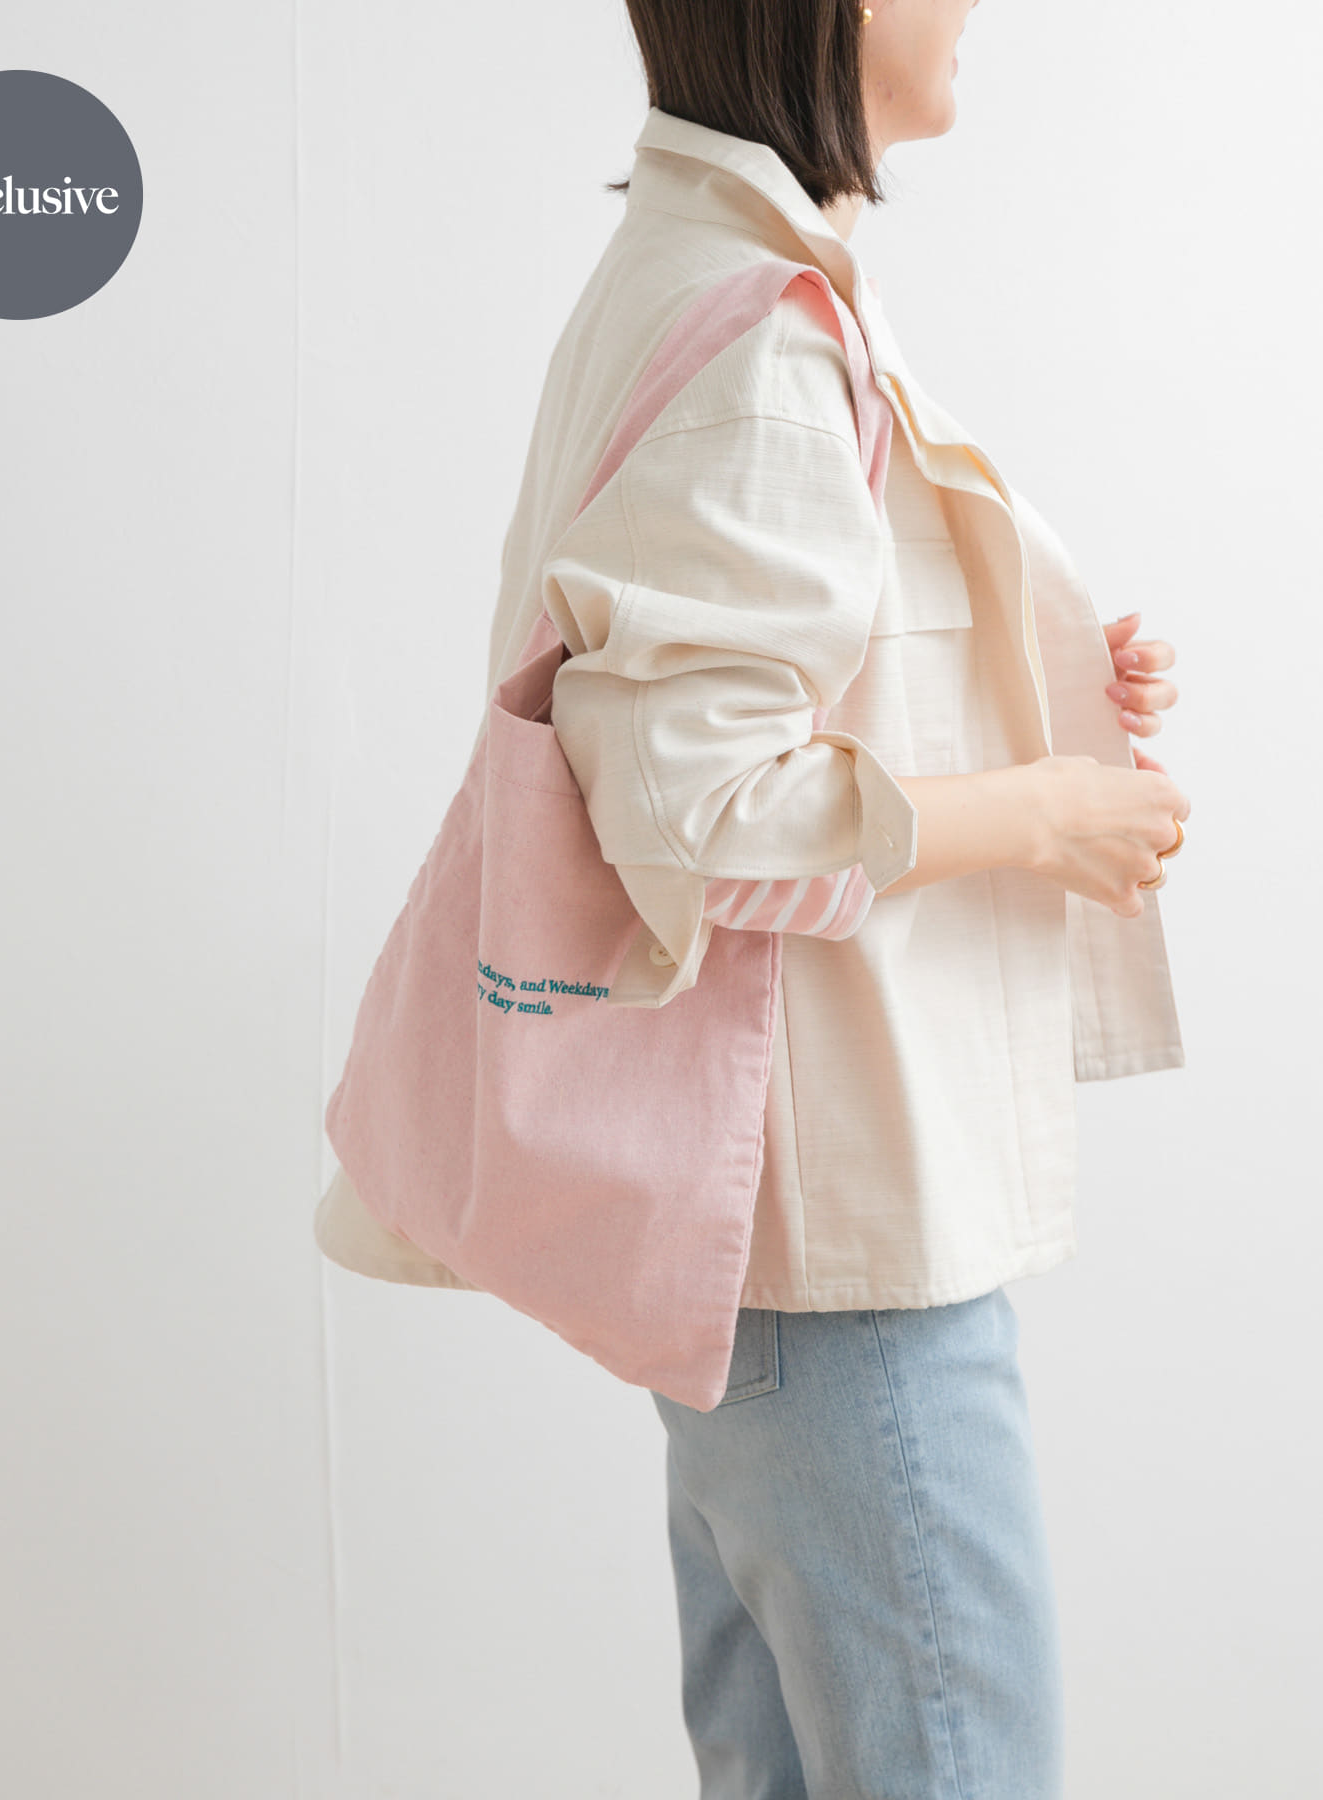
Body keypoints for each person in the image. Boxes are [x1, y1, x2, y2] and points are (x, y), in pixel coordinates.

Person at [316, 1, 1191, 1793]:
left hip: (774, 1262)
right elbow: (698, 816)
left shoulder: (695, 268)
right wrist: (1037, 815)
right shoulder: (767, 339)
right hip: (848, 1257)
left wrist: (1019, 684)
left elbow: (737, 676)